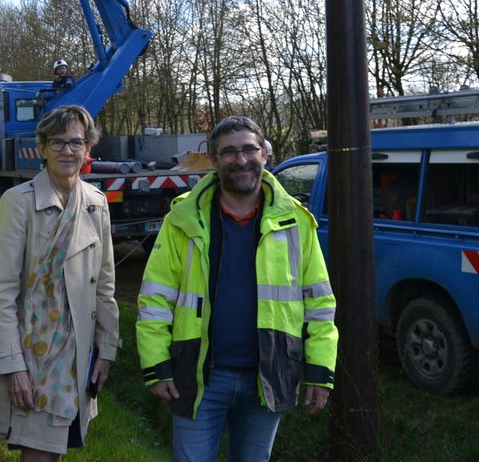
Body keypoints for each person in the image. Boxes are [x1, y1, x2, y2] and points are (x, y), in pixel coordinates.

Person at [137, 116, 338, 462]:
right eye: (228, 152)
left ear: (265, 154)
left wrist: (320, 371)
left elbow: (319, 302)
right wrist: (156, 365)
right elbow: (155, 299)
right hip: (199, 377)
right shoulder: (182, 220)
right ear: (213, 160)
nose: (241, 160)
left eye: (248, 149)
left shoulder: (296, 222)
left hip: (269, 375)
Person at [0, 105, 120, 461]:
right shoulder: (18, 202)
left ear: (88, 149)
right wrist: (12, 366)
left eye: (76, 142)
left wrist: (106, 348)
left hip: (78, 356)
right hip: (34, 354)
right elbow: (3, 293)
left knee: (55, 452)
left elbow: (104, 285)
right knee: (39, 454)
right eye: (57, 142)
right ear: (41, 148)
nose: (67, 151)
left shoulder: (96, 203)